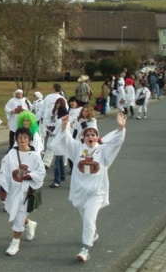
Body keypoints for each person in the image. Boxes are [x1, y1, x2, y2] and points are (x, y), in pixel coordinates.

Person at [51, 112, 126, 262]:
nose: (90, 137)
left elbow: (115, 143)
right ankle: (94, 235)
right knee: (85, 217)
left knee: (89, 219)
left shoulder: (103, 150)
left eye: (93, 134)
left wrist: (120, 129)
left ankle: (85, 249)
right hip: (80, 192)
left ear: (96, 137)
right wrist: (64, 125)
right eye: (87, 135)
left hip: (96, 192)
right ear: (83, 137)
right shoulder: (78, 148)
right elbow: (65, 140)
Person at [0, 128, 46, 256]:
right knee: (13, 210)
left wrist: (30, 176)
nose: (22, 140)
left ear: (29, 139)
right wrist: (3, 189)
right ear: (16, 139)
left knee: (18, 215)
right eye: (20, 137)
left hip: (25, 191)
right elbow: (4, 172)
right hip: (13, 189)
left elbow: (41, 172)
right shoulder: (11, 155)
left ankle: (15, 242)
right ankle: (30, 223)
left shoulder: (35, 156)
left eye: (25, 137)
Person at [39, 84, 68, 170]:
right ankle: (46, 162)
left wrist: (41, 118)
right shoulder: (62, 98)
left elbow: (43, 109)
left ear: (53, 88)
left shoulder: (48, 97)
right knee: (50, 144)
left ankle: (63, 160)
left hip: (60, 125)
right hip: (51, 124)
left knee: (61, 144)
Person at [48, 98, 69, 188]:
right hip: (63, 141)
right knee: (60, 159)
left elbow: (58, 131)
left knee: (57, 161)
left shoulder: (61, 120)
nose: (58, 105)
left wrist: (51, 132)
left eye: (60, 104)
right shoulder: (65, 118)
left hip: (59, 140)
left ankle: (57, 180)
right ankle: (62, 176)